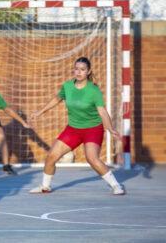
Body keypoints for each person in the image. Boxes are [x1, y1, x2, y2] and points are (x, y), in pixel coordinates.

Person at [29, 57, 125, 195]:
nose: (78, 72)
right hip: (73, 129)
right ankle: (45, 186)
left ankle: (116, 186)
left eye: (82, 69)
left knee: (92, 158)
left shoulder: (93, 90)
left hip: (92, 129)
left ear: (88, 71)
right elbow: (57, 98)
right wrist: (39, 112)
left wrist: (109, 128)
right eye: (76, 69)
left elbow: (102, 111)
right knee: (51, 156)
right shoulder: (67, 86)